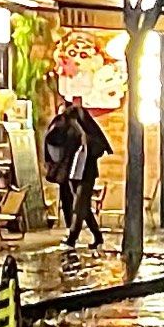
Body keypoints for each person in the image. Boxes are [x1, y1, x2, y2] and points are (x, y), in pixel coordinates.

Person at [43, 96, 110, 251]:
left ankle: (72, 238)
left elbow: (95, 149)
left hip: (85, 174)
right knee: (84, 208)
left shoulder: (89, 136)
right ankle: (98, 236)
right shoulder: (69, 132)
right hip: (74, 173)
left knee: (79, 207)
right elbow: (54, 137)